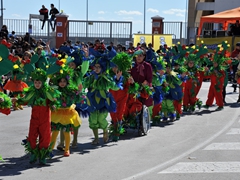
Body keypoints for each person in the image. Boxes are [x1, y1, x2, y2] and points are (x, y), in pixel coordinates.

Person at [16, 69, 60, 165]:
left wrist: (53, 104)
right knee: (32, 135)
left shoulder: (48, 92)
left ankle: (43, 156)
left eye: (39, 82)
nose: (37, 84)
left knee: (45, 136)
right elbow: (25, 99)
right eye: (35, 82)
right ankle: (34, 153)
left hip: (44, 119)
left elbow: (53, 100)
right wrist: (18, 100)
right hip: (34, 118)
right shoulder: (32, 92)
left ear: (43, 82)